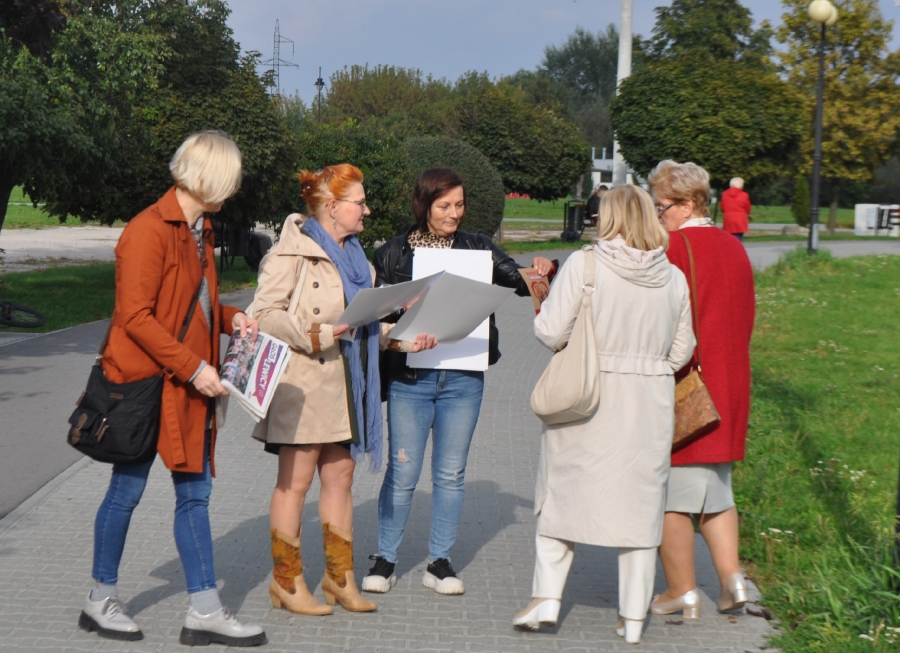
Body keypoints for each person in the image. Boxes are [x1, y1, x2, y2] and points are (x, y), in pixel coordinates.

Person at [79, 132, 266, 647]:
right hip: (145, 387)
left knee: (195, 495)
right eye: (230, 179)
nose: (234, 189)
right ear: (209, 178)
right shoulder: (148, 230)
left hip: (185, 387)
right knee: (126, 491)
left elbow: (192, 304)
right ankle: (99, 598)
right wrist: (193, 367)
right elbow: (134, 316)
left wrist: (232, 318)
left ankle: (204, 609)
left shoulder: (198, 229)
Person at [250, 165, 436, 616]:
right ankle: (285, 582)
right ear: (332, 207)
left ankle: (339, 578)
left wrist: (404, 336)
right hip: (305, 384)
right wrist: (318, 333)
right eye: (360, 202)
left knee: (341, 478)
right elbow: (263, 314)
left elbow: (363, 323)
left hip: (349, 384)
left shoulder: (357, 259)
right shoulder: (291, 252)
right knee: (295, 483)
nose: (367, 210)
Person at [513, 184, 695, 645]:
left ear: (608, 218)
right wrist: (647, 364)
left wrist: (545, 304)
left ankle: (546, 599)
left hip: (587, 394)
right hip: (649, 402)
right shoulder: (673, 277)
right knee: (640, 510)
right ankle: (633, 619)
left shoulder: (586, 264)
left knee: (561, 496)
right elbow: (682, 351)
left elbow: (551, 332)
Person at [364, 167, 555, 596]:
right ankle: (385, 558)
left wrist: (542, 269)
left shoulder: (478, 248)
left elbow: (521, 282)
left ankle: (440, 562)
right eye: (444, 205)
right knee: (403, 470)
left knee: (450, 474)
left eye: (460, 205)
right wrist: (405, 318)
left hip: (463, 379)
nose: (454, 213)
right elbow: (379, 313)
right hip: (411, 377)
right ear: (424, 205)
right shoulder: (392, 252)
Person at [648, 160, 755, 621]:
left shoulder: (674, 247)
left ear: (688, 204)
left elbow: (660, 319)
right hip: (730, 382)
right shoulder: (735, 247)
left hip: (687, 385)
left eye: (661, 207)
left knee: (671, 496)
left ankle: (681, 590)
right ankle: (732, 579)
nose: (658, 215)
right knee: (716, 491)